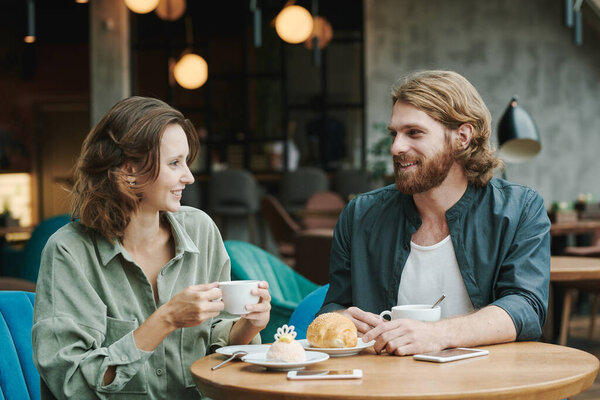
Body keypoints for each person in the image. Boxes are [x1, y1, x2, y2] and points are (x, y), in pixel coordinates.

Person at [32, 96, 272, 399]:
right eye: (174, 163)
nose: (189, 176)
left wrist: (248, 326)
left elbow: (216, 337)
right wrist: (166, 319)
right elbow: (72, 383)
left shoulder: (201, 230)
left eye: (186, 161)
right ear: (128, 171)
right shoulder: (70, 252)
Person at [319, 70, 550, 356]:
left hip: (487, 384)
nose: (396, 147)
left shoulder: (520, 209)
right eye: (394, 134)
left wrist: (437, 334)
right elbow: (333, 305)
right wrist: (339, 320)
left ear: (462, 137)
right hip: (384, 386)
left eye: (414, 132)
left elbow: (525, 307)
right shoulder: (359, 215)